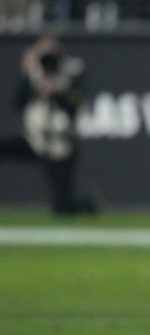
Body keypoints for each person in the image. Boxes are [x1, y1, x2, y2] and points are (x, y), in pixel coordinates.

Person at [14, 34, 97, 215]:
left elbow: (75, 104)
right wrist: (25, 75)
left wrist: (58, 92)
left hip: (62, 142)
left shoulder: (73, 70)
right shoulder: (34, 72)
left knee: (62, 206)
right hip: (35, 138)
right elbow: (18, 103)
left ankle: (89, 205)